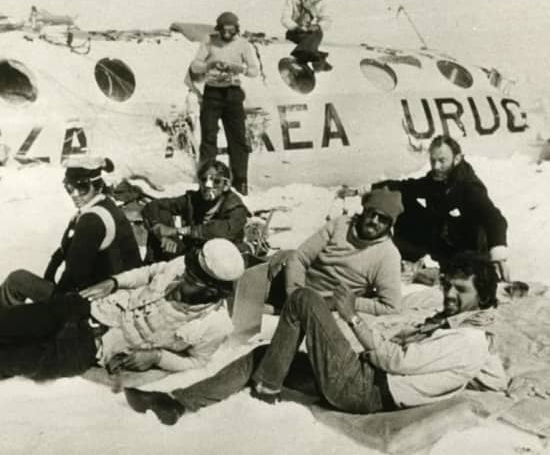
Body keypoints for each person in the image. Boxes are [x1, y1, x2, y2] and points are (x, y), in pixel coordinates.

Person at [124, 251, 506, 425]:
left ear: (483, 297)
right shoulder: (459, 327)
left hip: (367, 390)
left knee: (303, 299)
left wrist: (352, 316)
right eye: (449, 287)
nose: (450, 295)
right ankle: (177, 404)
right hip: (364, 376)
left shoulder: (470, 339)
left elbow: (397, 362)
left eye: (461, 290)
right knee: (266, 353)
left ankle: (268, 387)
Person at [0, 238, 245, 381]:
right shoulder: (184, 266)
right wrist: (114, 281)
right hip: (91, 309)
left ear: (212, 290)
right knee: (13, 321)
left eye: (192, 280)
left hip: (96, 347)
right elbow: (149, 272)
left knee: (18, 359)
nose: (182, 278)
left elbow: (198, 362)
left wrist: (157, 357)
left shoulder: (217, 325)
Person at [0, 156, 142, 307]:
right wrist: (50, 274)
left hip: (99, 300)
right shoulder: (103, 205)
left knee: (17, 280)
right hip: (110, 291)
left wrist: (50, 308)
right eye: (69, 188)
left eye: (82, 188)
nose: (74, 194)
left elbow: (74, 274)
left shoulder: (93, 219)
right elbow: (64, 250)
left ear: (97, 186)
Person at [370, 135, 510, 281]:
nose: (436, 166)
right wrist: (368, 189)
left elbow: (495, 219)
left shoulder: (469, 186)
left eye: (442, 161)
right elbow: (407, 186)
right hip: (443, 245)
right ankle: (408, 259)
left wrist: (498, 256)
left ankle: (468, 271)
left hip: (468, 253)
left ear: (457, 159)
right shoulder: (437, 179)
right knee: (401, 197)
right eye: (433, 160)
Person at [267, 188, 404, 315]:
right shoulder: (341, 225)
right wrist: (294, 294)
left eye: (382, 219)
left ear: (390, 225)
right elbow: (300, 258)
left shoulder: (388, 255)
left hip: (322, 308)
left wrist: (344, 302)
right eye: (372, 213)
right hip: (291, 289)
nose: (374, 221)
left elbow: (391, 306)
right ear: (364, 211)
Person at [190, 11, 260, 196]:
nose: (227, 34)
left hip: (233, 93)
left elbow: (254, 71)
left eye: (231, 30)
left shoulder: (243, 44)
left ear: (237, 29)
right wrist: (208, 66)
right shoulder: (209, 41)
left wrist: (240, 68)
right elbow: (195, 65)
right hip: (212, 93)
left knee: (237, 139)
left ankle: (240, 180)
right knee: (208, 139)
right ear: (219, 29)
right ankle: (206, 180)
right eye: (224, 30)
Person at [141, 159, 249, 263]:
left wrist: (177, 231)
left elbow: (221, 231)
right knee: (161, 217)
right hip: (193, 254)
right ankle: (151, 269)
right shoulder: (194, 199)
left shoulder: (235, 207)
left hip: (219, 259)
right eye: (204, 179)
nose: (208, 186)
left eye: (216, 181)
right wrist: (161, 232)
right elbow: (154, 205)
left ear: (226, 186)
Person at [281, 0, 332, 72]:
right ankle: (317, 58)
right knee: (312, 38)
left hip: (313, 32)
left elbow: (326, 19)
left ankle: (301, 59)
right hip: (296, 32)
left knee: (317, 33)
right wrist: (297, 27)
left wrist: (317, 25)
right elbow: (285, 18)